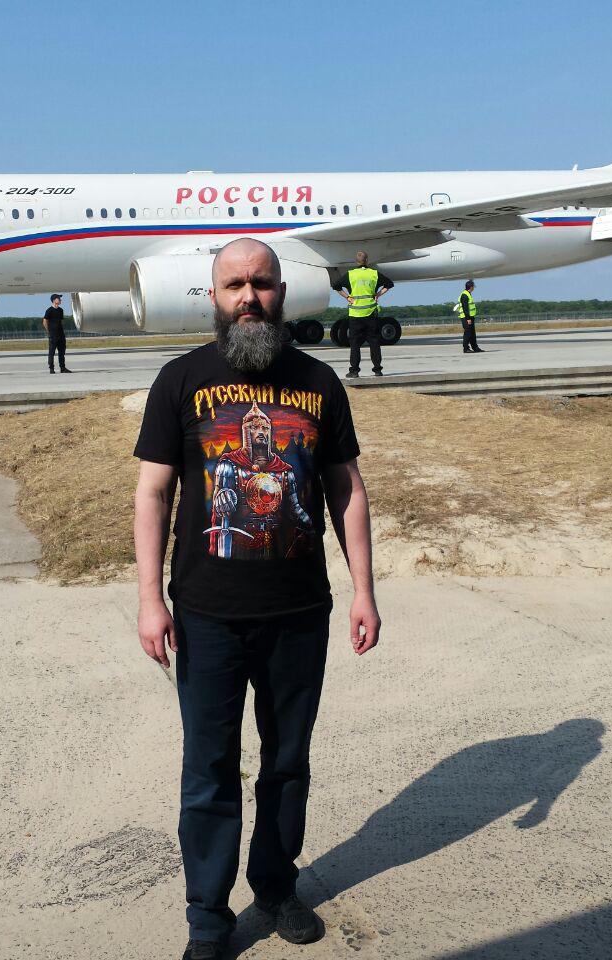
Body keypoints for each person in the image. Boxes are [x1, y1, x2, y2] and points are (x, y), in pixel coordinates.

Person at [134, 238, 380, 960]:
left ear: (282, 293)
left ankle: (275, 884)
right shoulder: (181, 380)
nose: (250, 297)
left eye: (262, 284)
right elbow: (154, 493)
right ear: (214, 297)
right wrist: (150, 600)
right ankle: (208, 915)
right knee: (209, 767)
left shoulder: (319, 382)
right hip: (207, 614)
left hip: (299, 612)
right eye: (235, 285)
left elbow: (344, 489)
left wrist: (364, 590)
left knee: (287, 762)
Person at [332, 251, 393, 378]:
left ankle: (354, 371)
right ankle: (377, 370)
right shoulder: (374, 274)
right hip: (370, 313)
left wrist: (347, 297)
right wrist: (378, 294)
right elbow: (389, 284)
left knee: (355, 344)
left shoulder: (351, 274)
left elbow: (336, 286)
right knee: (374, 342)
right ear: (367, 260)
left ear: (356, 261)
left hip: (355, 314)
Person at [43, 294, 69, 373]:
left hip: (61, 334)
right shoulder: (49, 310)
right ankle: (51, 368)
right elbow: (45, 321)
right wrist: (49, 331)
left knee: (62, 352)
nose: (60, 300)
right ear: (54, 300)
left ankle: (62, 368)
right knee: (52, 352)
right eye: (59, 299)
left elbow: (60, 321)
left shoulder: (61, 310)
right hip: (53, 335)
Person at [458, 280, 484, 353]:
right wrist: (468, 318)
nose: (474, 288)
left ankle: (475, 348)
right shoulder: (464, 295)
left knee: (472, 333)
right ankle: (466, 348)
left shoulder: (468, 294)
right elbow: (465, 308)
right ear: (471, 287)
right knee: (468, 333)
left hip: (470, 317)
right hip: (466, 317)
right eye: (473, 287)